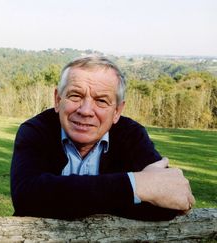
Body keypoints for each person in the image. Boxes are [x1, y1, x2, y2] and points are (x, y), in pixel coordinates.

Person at [10, 56, 195, 221]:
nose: (85, 110)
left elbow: (168, 203)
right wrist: (137, 186)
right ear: (58, 100)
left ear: (117, 111)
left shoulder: (132, 135)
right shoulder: (35, 130)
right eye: (75, 96)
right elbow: (26, 198)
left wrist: (61, 199)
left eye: (101, 101)